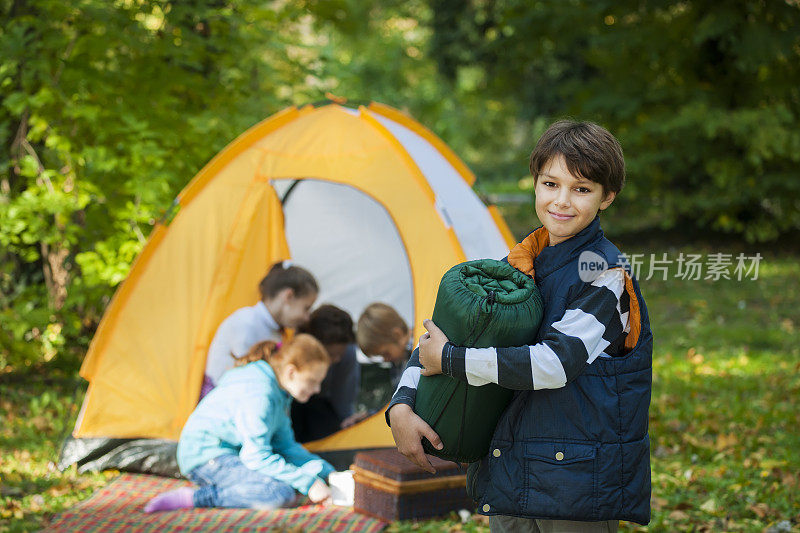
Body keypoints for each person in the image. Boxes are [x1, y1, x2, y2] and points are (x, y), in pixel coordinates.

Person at [387, 120, 653, 531]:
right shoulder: (518, 263)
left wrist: (453, 360)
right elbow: (437, 339)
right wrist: (401, 404)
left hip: (575, 484)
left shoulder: (606, 276)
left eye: (581, 189)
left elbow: (554, 365)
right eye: (550, 184)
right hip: (508, 467)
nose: (561, 201)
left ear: (607, 197)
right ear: (535, 183)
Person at [144, 334, 336, 512]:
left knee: (290, 481)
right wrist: (309, 483)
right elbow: (256, 456)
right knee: (279, 493)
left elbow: (285, 446)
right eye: (312, 381)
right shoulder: (260, 393)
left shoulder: (280, 392)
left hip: (232, 452)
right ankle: (196, 498)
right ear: (291, 372)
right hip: (206, 456)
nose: (317, 389)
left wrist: (330, 474)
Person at [201, 261, 318, 398]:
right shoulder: (246, 323)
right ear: (288, 296)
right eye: (306, 308)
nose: (307, 318)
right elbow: (248, 379)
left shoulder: (275, 332)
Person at [291, 304, 366, 443]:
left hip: (321, 403)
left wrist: (346, 427)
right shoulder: (297, 347)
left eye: (339, 354)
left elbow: (343, 394)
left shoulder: (348, 353)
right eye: (330, 355)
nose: (336, 360)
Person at [356, 302, 413, 389]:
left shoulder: (420, 350)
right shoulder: (397, 364)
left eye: (386, 353)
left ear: (397, 335)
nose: (385, 360)